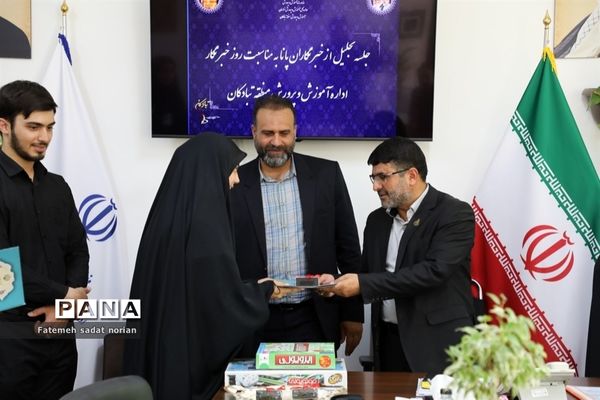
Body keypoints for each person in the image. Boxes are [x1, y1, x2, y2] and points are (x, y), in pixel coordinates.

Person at [123, 133, 293, 400]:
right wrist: (264, 291)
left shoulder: (166, 219)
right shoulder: (206, 227)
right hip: (181, 367)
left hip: (159, 358)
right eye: (233, 169)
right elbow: (219, 307)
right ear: (211, 171)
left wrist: (252, 288)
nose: (236, 179)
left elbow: (199, 292)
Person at [321, 137, 475, 375]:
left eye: (383, 177)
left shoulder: (455, 214)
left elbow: (433, 272)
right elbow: (367, 274)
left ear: (412, 175)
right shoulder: (376, 220)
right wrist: (335, 282)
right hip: (388, 342)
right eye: (374, 178)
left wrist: (361, 283)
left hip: (437, 344)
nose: (376, 186)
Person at [231, 95, 363, 357]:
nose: (276, 142)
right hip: (253, 320)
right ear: (254, 132)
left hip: (314, 316)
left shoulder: (326, 175)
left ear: (295, 132)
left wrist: (353, 313)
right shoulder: (234, 183)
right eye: (267, 133)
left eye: (284, 133)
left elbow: (348, 248)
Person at [0, 80, 89, 399]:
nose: (44, 137)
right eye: (34, 127)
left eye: (50, 127)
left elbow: (78, 251)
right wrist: (65, 295)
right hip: (10, 338)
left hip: (61, 337)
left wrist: (64, 308)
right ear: (4, 125)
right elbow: (3, 271)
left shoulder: (58, 187)